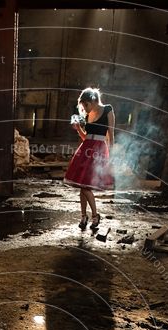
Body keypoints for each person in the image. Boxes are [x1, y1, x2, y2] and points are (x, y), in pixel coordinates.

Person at [64, 87, 115, 231]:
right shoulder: (87, 115)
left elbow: (111, 134)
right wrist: (78, 128)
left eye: (85, 105)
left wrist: (111, 156)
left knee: (85, 186)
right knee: (82, 185)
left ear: (92, 100)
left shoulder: (108, 110)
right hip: (86, 148)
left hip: (99, 150)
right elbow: (86, 137)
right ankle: (83, 217)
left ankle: (95, 216)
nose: (84, 109)